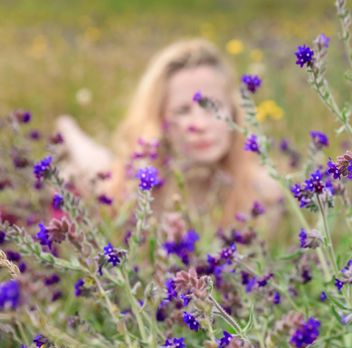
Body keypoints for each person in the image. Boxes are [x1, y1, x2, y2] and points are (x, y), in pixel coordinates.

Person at [56, 39, 283, 228]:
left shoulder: (264, 193)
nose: (199, 124)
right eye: (183, 110)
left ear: (234, 112)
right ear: (159, 118)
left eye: (212, 106)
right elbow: (93, 166)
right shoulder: (137, 189)